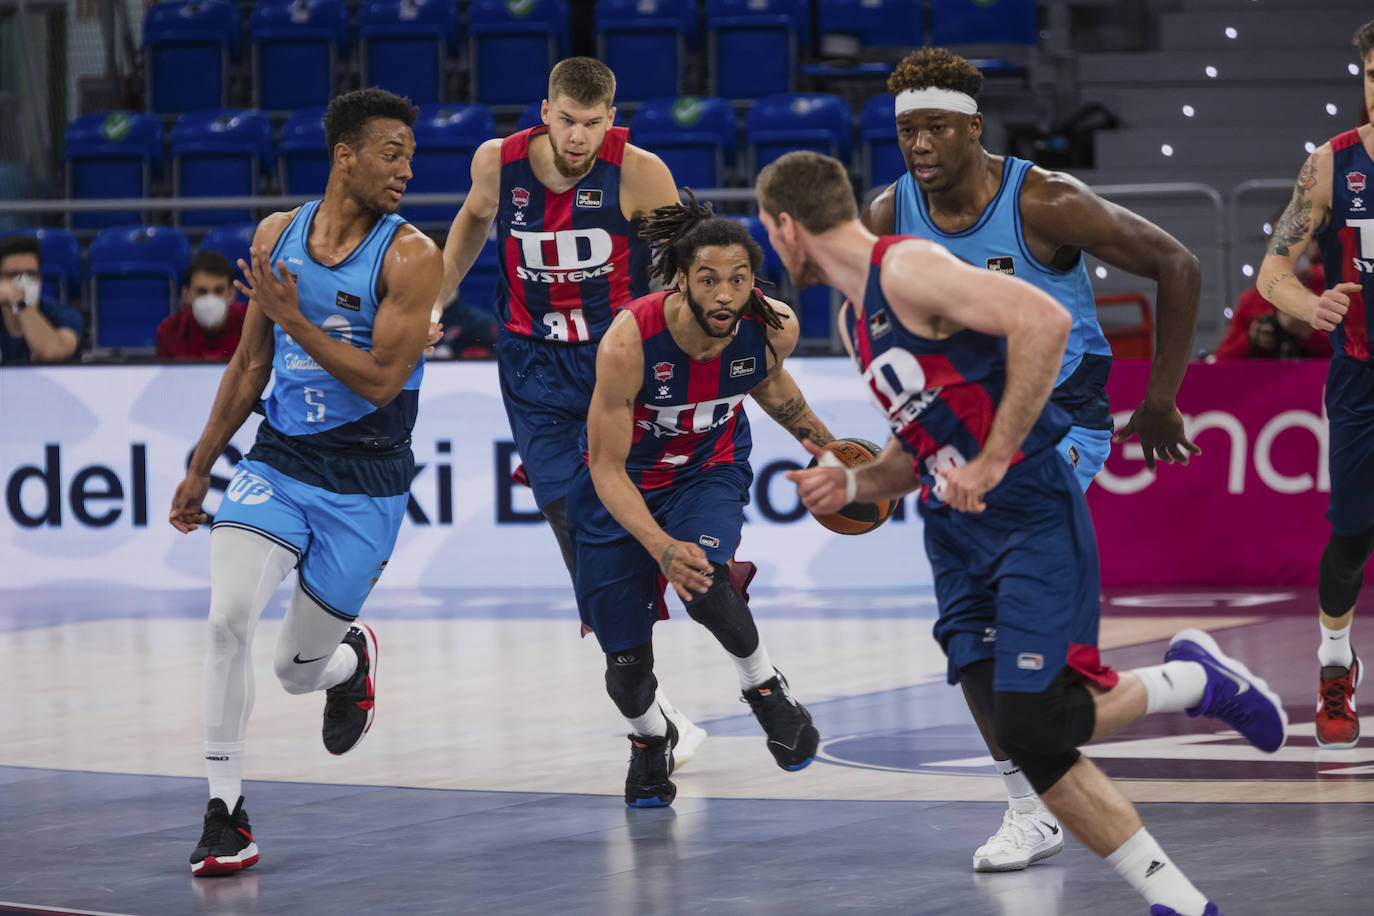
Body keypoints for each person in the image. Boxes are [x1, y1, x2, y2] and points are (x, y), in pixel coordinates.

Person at [765, 150, 1287, 916]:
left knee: (1039, 720)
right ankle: (1177, 901)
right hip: (954, 534)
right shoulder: (854, 320)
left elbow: (1045, 318)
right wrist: (854, 482)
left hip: (1028, 511)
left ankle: (1198, 682)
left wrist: (996, 455)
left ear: (786, 228)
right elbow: (923, 444)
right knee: (1020, 734)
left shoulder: (905, 268)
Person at [860, 47, 1205, 871]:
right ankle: (1032, 807)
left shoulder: (1043, 201)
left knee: (1003, 618)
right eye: (908, 131)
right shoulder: (887, 214)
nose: (920, 146)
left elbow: (1177, 262)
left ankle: (1161, 699)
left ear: (975, 128)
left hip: (1062, 421)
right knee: (967, 636)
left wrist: (1159, 398)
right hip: (960, 437)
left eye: (937, 127)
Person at [168, 87, 442, 877]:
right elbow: (251, 363)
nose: (405, 170)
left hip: (368, 480)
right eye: (392, 154)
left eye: (411, 157)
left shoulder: (410, 255)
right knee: (226, 622)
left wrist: (296, 322)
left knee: (294, 672)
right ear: (344, 156)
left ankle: (351, 660)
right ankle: (225, 813)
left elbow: (386, 379)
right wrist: (200, 465)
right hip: (280, 462)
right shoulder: (273, 236)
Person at [435, 57, 707, 756]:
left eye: (591, 122)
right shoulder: (499, 161)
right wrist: (433, 299)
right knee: (573, 526)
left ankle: (686, 673)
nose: (578, 135)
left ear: (611, 120)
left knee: (638, 517)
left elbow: (679, 266)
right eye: (566, 120)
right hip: (531, 365)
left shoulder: (641, 172)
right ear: (544, 110)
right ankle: (651, 705)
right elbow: (470, 222)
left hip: (617, 358)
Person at [574, 197, 831, 806]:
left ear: (754, 283)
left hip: (706, 471)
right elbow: (606, 468)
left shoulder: (773, 328)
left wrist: (827, 449)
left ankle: (765, 688)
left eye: (738, 280)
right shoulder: (629, 342)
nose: (724, 295)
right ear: (682, 278)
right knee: (627, 668)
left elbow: (767, 382)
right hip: (625, 489)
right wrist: (658, 546)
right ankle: (648, 740)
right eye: (710, 280)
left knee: (704, 573)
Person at [1257, 17, 1374, 751]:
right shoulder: (1332, 165)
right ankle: (1336, 661)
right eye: (1370, 76)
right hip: (1362, 376)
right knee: (1355, 535)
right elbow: (1273, 273)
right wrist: (1311, 305)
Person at [1212, 232, 1329, 360]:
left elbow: (1350, 353)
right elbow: (1223, 359)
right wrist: (1252, 339)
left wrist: (1310, 334)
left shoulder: (1333, 289)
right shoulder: (1253, 300)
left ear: (1312, 245)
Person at [0, 234, 82, 364]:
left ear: (40, 279)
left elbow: (51, 352)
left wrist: (20, 303)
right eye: (14, 274)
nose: (23, 282)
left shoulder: (65, 316)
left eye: (30, 274)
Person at [156, 250, 249, 361]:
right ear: (186, 295)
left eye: (218, 291)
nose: (210, 300)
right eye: (202, 292)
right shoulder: (168, 331)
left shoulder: (249, 323)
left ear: (231, 293)